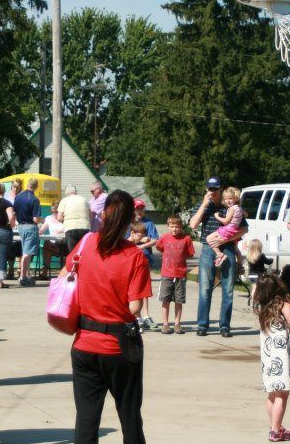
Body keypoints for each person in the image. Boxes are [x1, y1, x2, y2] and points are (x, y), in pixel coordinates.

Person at [62, 189, 151, 443]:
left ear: (103, 215)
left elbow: (64, 276)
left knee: (87, 420)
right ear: (128, 221)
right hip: (119, 346)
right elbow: (134, 307)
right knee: (130, 416)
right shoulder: (134, 256)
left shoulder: (86, 243)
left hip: (84, 344)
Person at [252, 273, 290, 442]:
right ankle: (275, 430)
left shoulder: (263, 308)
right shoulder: (284, 305)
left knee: (272, 394)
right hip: (282, 357)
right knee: (282, 395)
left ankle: (276, 425)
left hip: (269, 358)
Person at [191, 177, 244, 337]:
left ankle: (224, 325)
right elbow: (193, 225)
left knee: (228, 289)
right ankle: (202, 325)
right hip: (208, 249)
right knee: (205, 289)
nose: (212, 192)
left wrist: (225, 239)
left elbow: (244, 229)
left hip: (227, 248)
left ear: (221, 189)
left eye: (215, 189)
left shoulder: (230, 204)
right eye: (210, 189)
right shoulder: (204, 205)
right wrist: (204, 205)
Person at [155, 215, 194, 334]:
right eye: (172, 226)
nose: (174, 229)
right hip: (167, 274)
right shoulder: (164, 238)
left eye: (177, 226)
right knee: (165, 299)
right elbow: (159, 247)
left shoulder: (186, 238)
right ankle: (165, 324)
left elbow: (190, 253)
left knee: (179, 300)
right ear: (168, 226)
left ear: (181, 227)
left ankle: (177, 324)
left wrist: (180, 259)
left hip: (180, 275)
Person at [13, 177, 42, 286]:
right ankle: (22, 277)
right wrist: (41, 219)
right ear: (36, 186)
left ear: (27, 185)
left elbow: (15, 212)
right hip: (30, 227)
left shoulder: (18, 197)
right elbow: (35, 219)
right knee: (27, 253)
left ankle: (26, 275)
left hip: (20, 226)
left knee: (25, 251)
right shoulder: (35, 199)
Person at [210, 186, 244, 266]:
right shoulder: (239, 208)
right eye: (226, 199)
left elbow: (225, 221)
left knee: (209, 239)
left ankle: (219, 255)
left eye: (230, 198)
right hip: (235, 229)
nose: (227, 201)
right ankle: (240, 265)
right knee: (236, 249)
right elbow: (246, 214)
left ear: (235, 198)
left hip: (229, 229)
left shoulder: (232, 209)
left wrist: (217, 216)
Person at [57, 184, 91, 252]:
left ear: (66, 193)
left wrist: (64, 222)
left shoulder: (64, 200)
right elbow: (90, 215)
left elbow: (59, 217)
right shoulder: (83, 199)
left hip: (71, 228)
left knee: (73, 252)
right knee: (83, 251)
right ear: (76, 192)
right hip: (85, 227)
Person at [245, 239, 273, 306]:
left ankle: (252, 301)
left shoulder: (249, 256)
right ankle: (257, 301)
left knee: (254, 287)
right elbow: (268, 262)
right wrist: (271, 259)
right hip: (259, 274)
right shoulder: (261, 256)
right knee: (260, 288)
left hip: (251, 275)